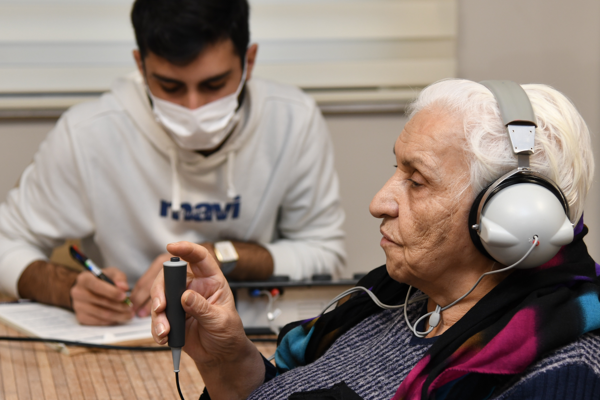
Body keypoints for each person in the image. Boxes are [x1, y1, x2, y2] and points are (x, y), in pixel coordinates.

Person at [150, 79, 600, 400]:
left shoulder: (563, 371)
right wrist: (226, 360)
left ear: (515, 214)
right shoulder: (388, 303)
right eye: (396, 169)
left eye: (417, 180)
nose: (380, 202)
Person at [0, 0, 345, 326]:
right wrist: (68, 289)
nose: (194, 108)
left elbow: (325, 255)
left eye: (214, 84)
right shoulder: (89, 134)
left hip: (252, 337)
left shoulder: (292, 120)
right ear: (140, 65)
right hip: (132, 335)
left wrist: (216, 256)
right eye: (170, 86)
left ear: (249, 61)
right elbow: (6, 243)